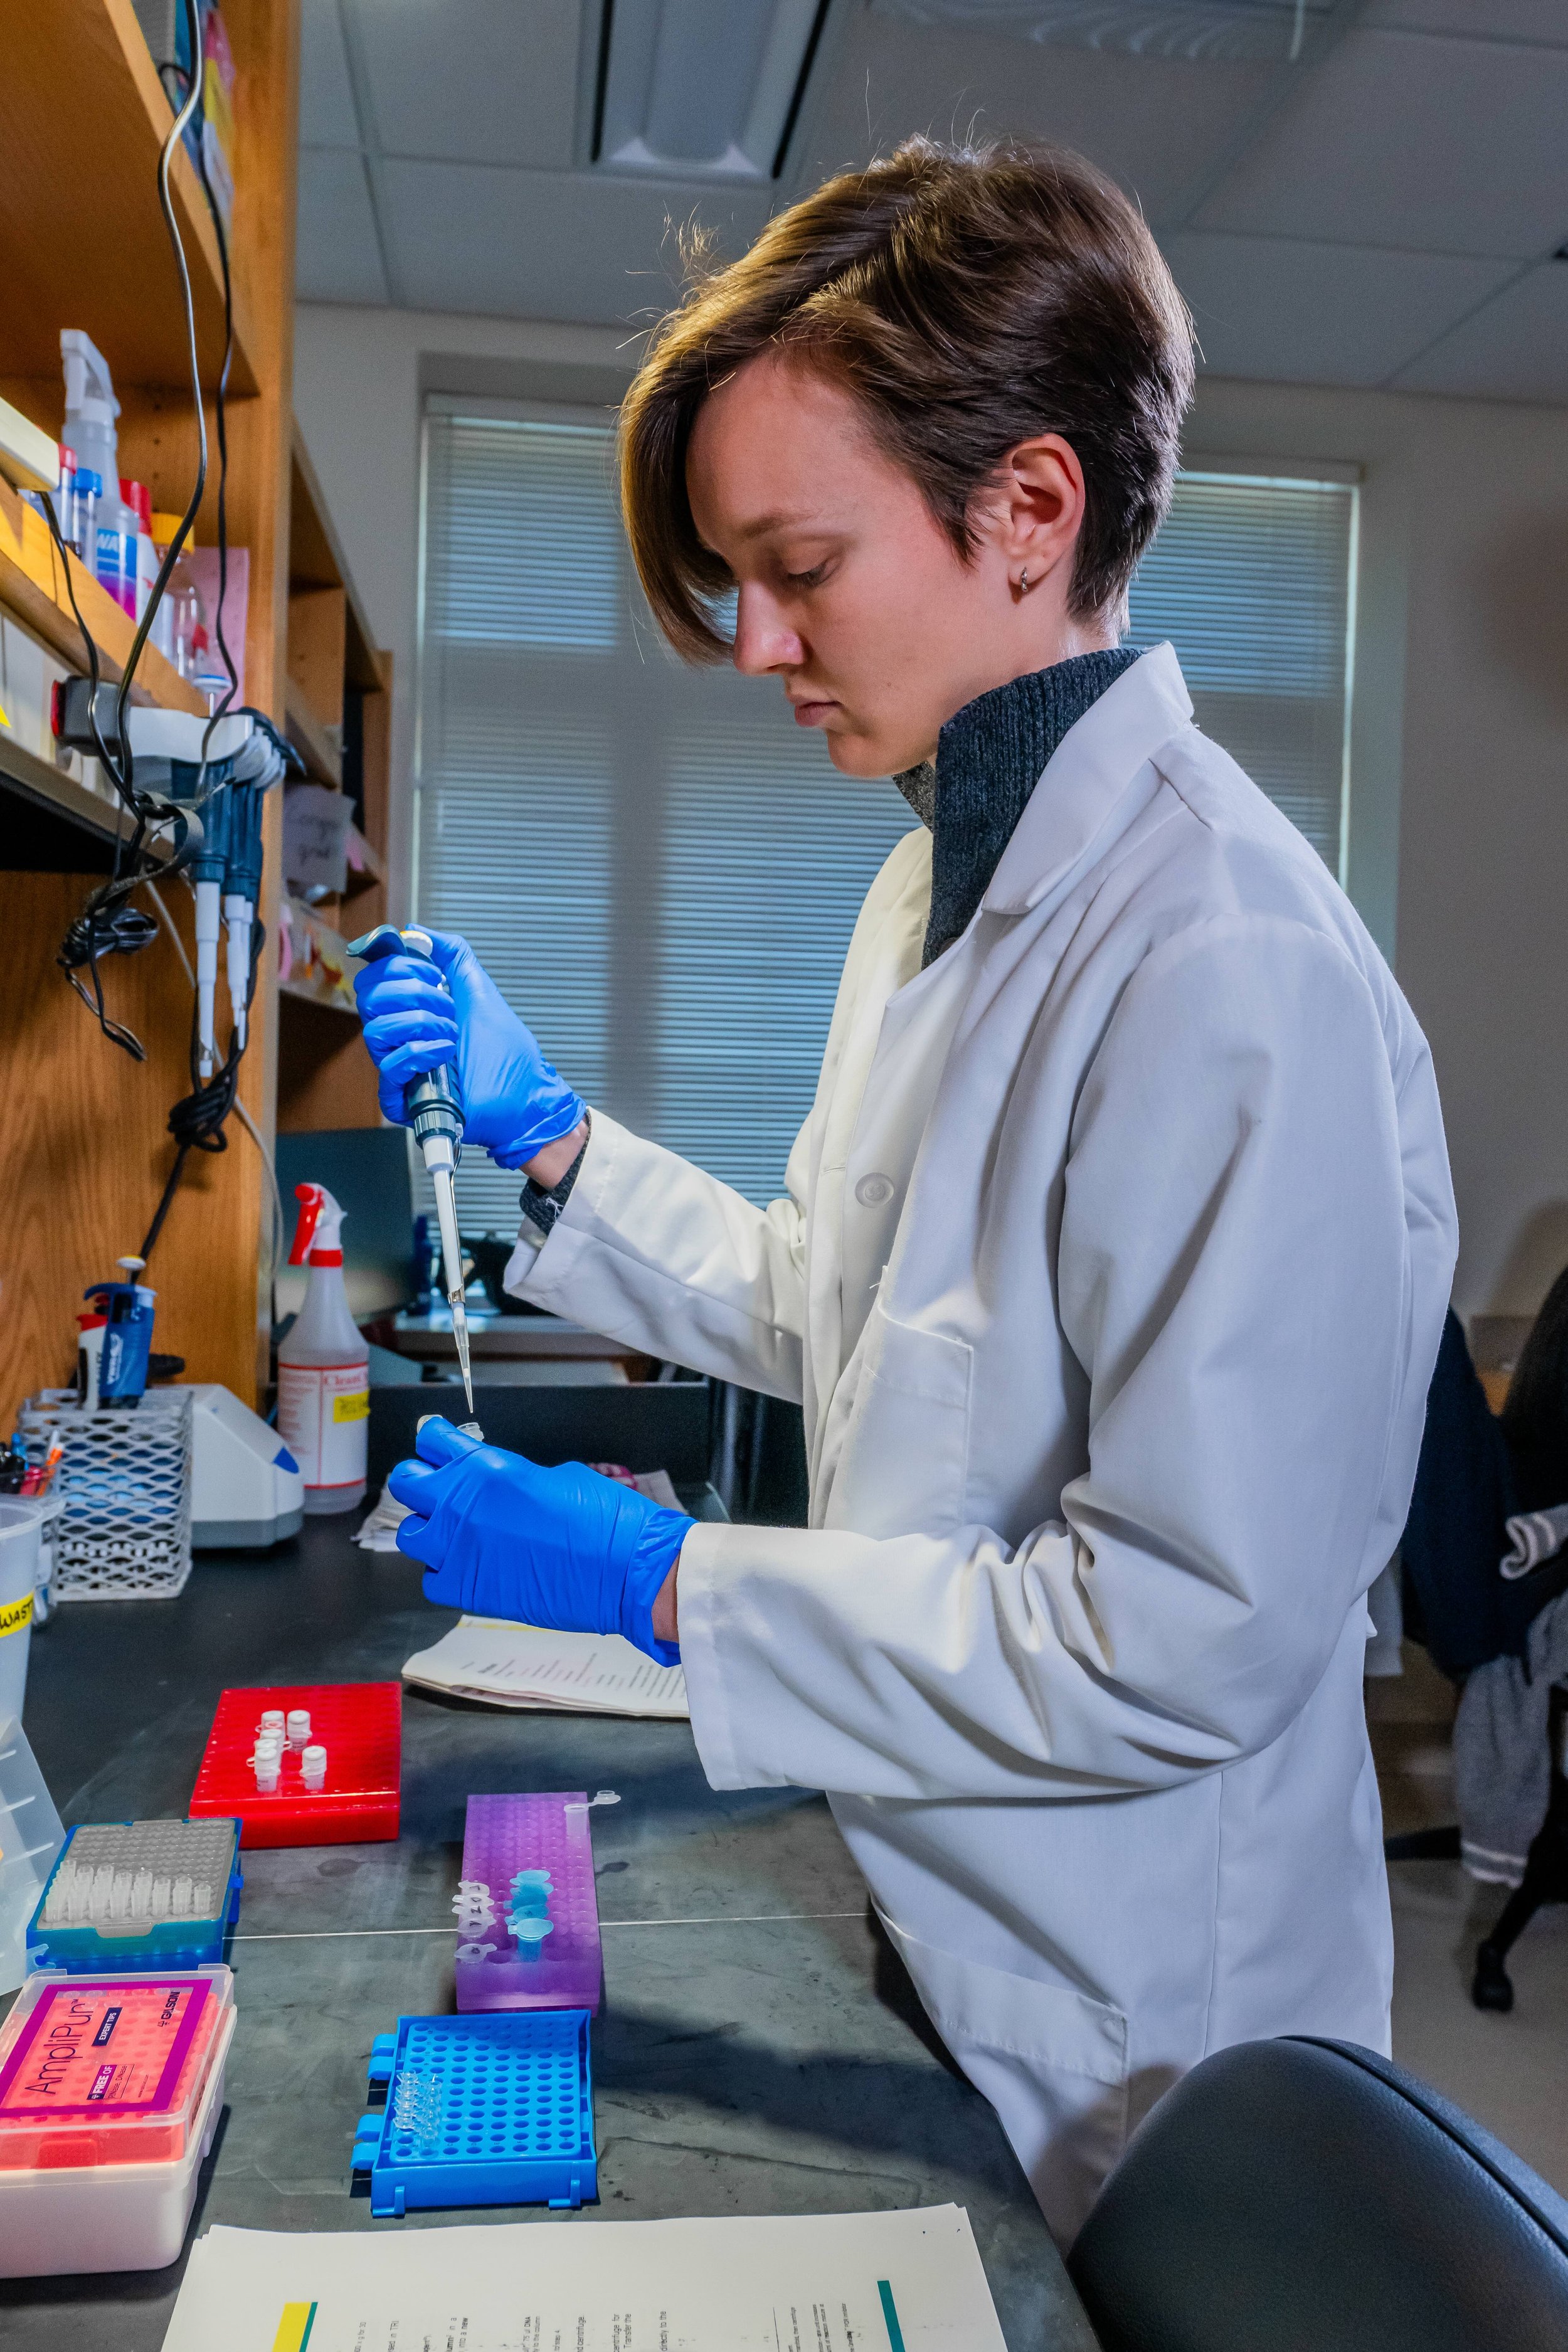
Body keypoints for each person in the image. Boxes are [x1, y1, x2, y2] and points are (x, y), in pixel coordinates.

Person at [359, 138, 1458, 2240]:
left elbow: (1172, 1642)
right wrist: (552, 1136)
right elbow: (854, 1310)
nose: (755, 638)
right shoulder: (923, 889)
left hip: (1126, 2029)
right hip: (923, 1901)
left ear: (1028, 511)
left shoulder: (1231, 966)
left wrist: (671, 1587)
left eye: (799, 563)